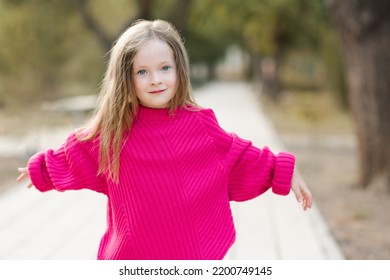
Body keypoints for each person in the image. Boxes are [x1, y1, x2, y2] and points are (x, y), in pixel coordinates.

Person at [17, 19, 312, 260]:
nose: (155, 79)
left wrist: (283, 170)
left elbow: (241, 157)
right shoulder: (114, 132)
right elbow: (76, 151)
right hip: (132, 258)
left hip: (188, 256)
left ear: (178, 69)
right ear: (126, 79)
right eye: (142, 72)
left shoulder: (200, 125)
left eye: (164, 68)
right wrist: (41, 170)